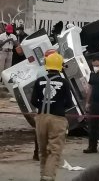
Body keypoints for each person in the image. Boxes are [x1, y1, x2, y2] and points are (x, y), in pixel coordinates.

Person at [30, 52, 73, 181]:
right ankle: (48, 177)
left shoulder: (39, 81)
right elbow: (69, 103)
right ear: (60, 66)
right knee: (54, 150)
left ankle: (43, 175)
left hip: (41, 118)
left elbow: (33, 100)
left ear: (47, 66)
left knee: (43, 151)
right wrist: (59, 108)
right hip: (57, 119)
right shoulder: (64, 82)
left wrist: (43, 106)